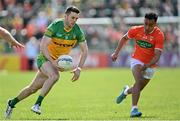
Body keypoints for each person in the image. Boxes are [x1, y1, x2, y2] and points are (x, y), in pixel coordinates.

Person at [5, 6, 88, 119]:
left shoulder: (77, 30)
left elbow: (85, 50)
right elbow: (43, 46)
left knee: (32, 89)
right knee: (54, 76)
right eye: (72, 17)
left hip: (55, 61)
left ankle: (11, 103)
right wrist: (53, 62)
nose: (74, 20)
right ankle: (37, 104)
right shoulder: (55, 26)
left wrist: (79, 68)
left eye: (76, 19)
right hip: (45, 57)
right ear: (66, 16)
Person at [111, 12, 164, 117]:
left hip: (150, 65)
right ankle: (134, 109)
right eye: (145, 23)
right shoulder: (135, 30)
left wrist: (147, 65)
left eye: (150, 25)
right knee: (138, 82)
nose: (147, 27)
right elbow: (124, 38)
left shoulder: (159, 35)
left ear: (155, 24)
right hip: (137, 60)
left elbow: (157, 56)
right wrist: (116, 53)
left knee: (137, 88)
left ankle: (126, 91)